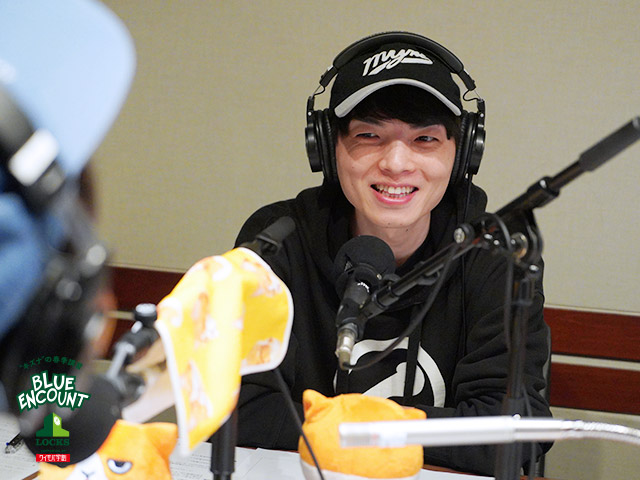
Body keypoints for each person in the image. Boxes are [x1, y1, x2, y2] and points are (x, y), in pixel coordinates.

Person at [234, 32, 552, 476]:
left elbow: (513, 433)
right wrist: (425, 431)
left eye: (425, 139)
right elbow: (241, 412)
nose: (397, 163)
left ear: (463, 155)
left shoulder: (495, 254)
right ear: (326, 147)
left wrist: (348, 428)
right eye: (369, 135)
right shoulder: (278, 240)